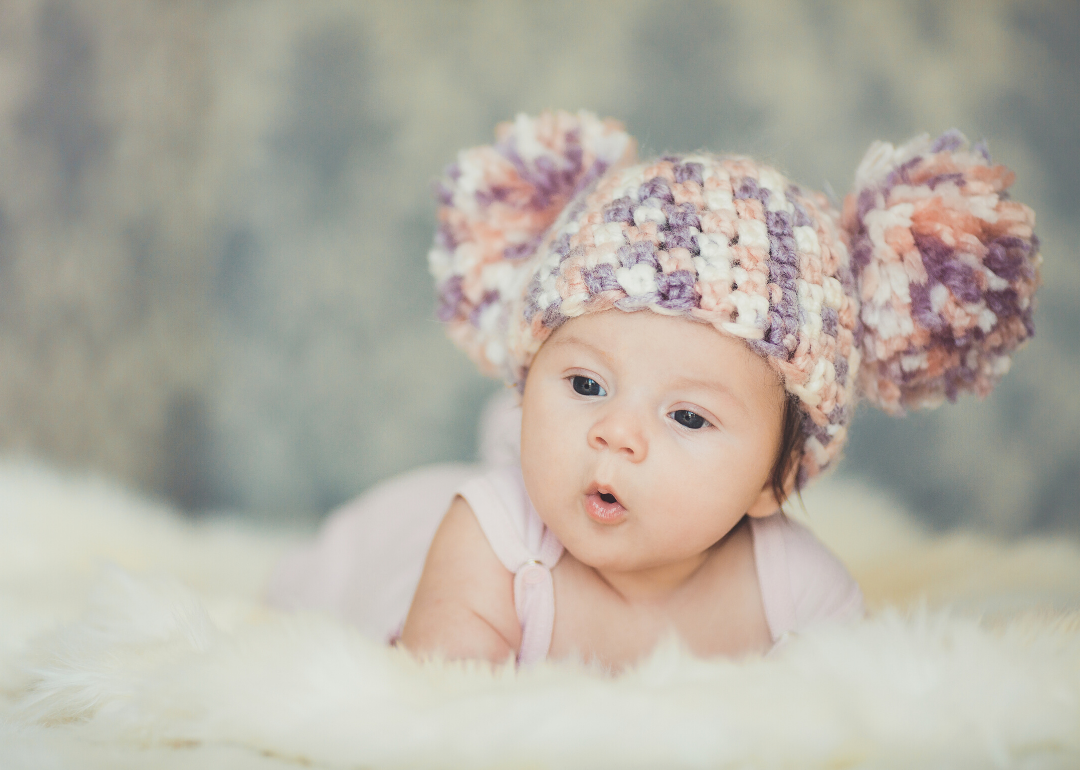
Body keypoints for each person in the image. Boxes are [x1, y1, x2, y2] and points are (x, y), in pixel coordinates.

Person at [268, 111, 1040, 668]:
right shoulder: (490, 538)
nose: (616, 432)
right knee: (306, 590)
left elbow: (847, 725)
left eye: (687, 416)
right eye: (584, 382)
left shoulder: (797, 590)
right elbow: (443, 727)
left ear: (776, 479)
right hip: (384, 543)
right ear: (526, 380)